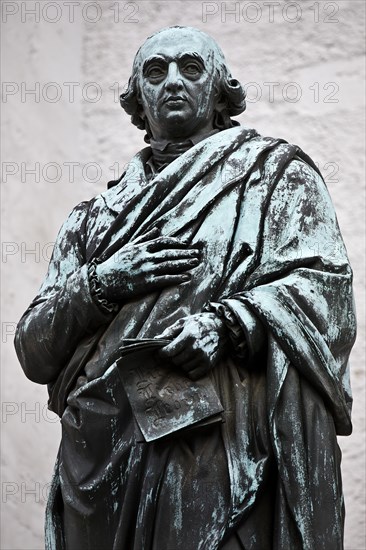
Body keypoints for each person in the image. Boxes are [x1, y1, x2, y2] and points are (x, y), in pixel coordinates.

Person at [15, 26, 356, 550]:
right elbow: (33, 349)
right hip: (100, 463)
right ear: (138, 98)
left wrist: (230, 323)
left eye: (190, 68)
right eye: (156, 72)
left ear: (220, 90)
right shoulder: (92, 222)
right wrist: (102, 282)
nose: (173, 81)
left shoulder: (272, 178)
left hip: (219, 452)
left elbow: (324, 291)